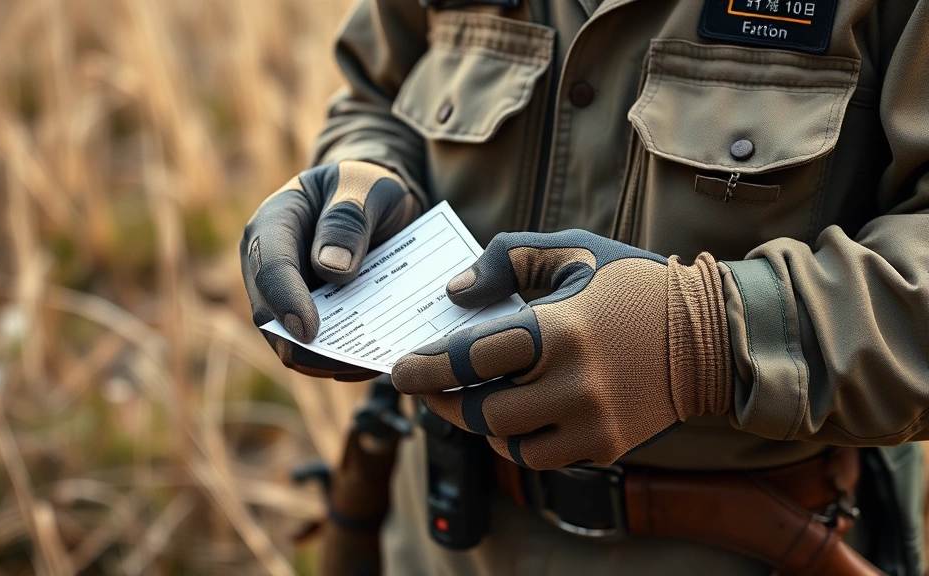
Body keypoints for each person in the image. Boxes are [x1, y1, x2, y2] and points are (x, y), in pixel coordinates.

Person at [240, 0, 929, 573]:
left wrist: (702, 340)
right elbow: (379, 91)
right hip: (439, 535)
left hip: (745, 547)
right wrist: (360, 176)